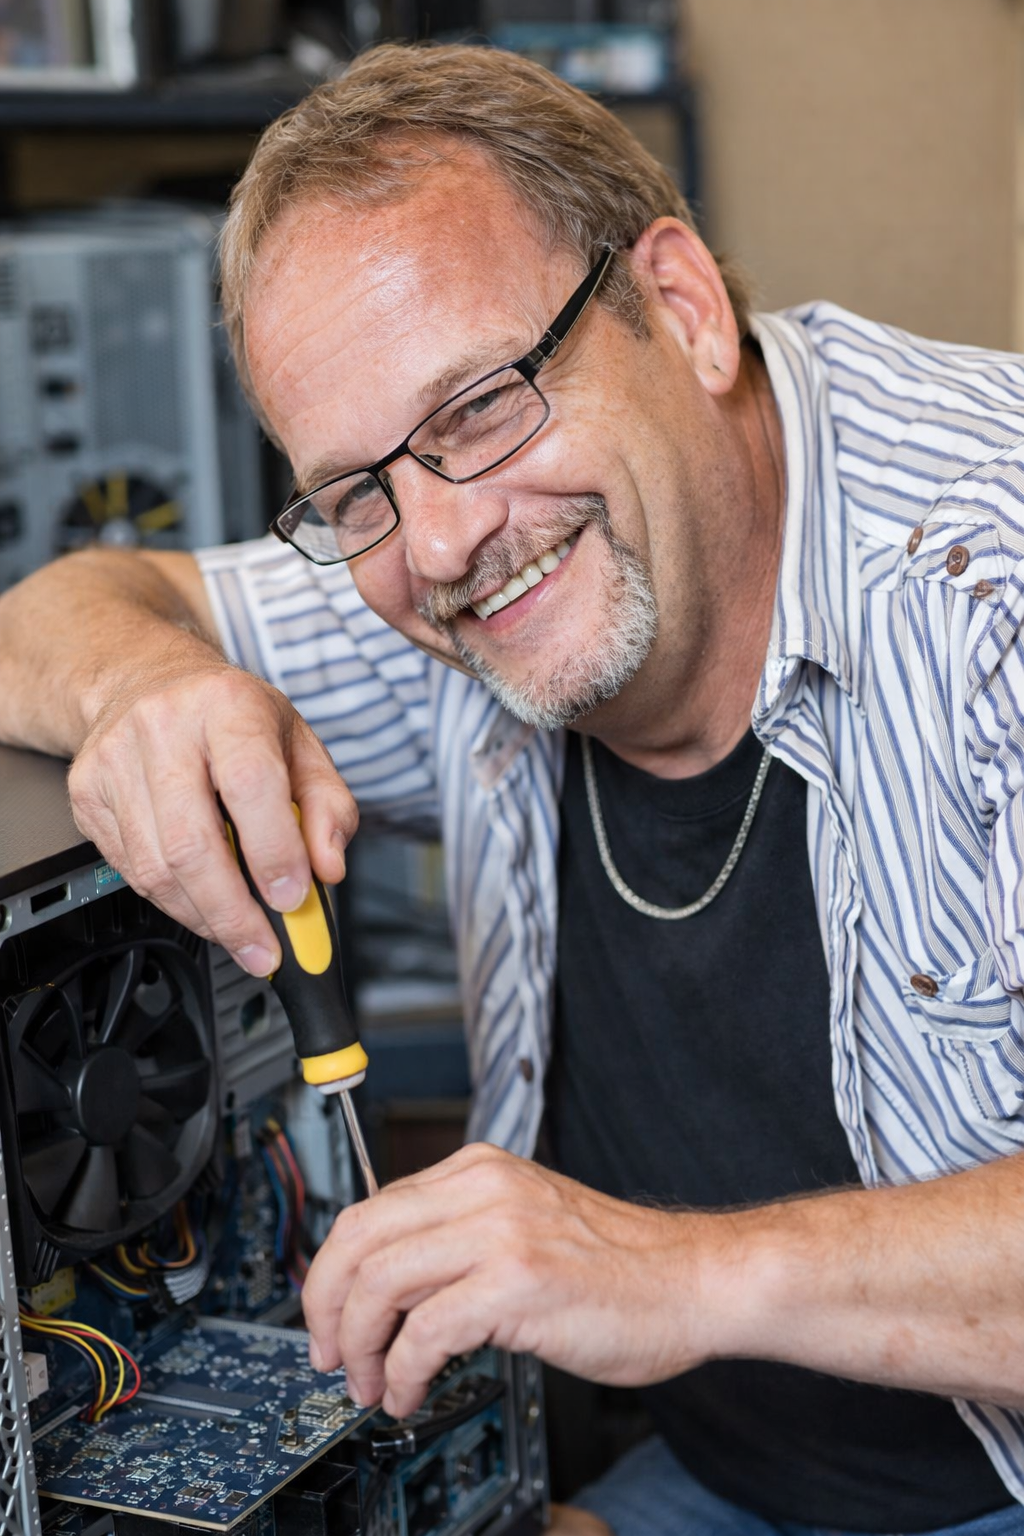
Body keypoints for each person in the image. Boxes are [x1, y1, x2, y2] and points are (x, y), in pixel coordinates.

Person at [3, 40, 1024, 1536]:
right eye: (356, 491)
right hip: (712, 1478)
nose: (436, 548)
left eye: (481, 405)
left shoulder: (988, 586)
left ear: (677, 310)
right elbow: (57, 611)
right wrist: (141, 688)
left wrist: (665, 1273)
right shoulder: (451, 584)